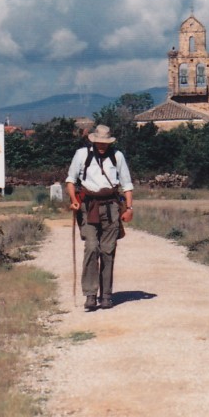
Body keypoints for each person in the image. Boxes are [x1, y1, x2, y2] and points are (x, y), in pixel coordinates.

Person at [65, 124, 134, 311]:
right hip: (88, 207)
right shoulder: (81, 155)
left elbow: (127, 184)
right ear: (93, 141)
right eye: (99, 142)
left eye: (105, 142)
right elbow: (71, 180)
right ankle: (90, 294)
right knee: (91, 247)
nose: (102, 145)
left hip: (111, 207)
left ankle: (106, 296)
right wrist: (73, 200)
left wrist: (129, 208)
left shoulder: (117, 156)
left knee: (108, 251)